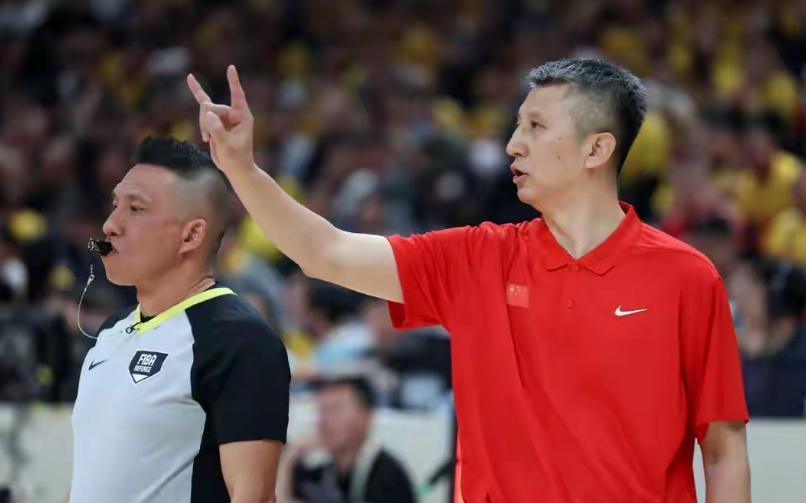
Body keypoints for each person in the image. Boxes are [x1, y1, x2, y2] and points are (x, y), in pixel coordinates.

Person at [187, 59, 750, 502]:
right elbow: (326, 252)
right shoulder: (478, 257)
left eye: (535, 126)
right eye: (516, 125)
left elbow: (723, 448)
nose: (513, 144)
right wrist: (241, 168)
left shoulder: (686, 278)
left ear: (597, 149)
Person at [68, 137, 290, 503]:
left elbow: (255, 496)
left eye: (136, 209)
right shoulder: (111, 330)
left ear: (191, 234)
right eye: (115, 205)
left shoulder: (239, 339)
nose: (110, 226)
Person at [280, 376, 417, 503]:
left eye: (336, 410)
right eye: (322, 411)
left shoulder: (386, 476)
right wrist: (289, 459)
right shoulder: (322, 474)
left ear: (366, 417)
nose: (325, 421)